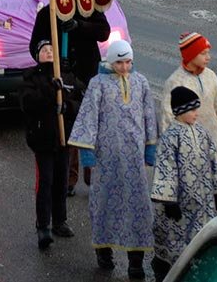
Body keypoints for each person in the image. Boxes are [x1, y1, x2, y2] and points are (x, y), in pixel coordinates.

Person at [68, 40, 156, 278]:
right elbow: (88, 118)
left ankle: (135, 260)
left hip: (134, 159)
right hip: (106, 160)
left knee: (137, 206)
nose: (124, 67)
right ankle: (104, 251)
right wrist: (87, 153)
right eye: (119, 62)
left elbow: (149, 114)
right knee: (105, 204)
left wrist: (150, 147)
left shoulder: (141, 82)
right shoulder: (98, 84)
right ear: (110, 61)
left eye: (128, 62)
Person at [28, 4, 110, 194]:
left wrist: (79, 25)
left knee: (92, 124)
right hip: (62, 77)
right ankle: (69, 179)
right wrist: (52, 61)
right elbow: (35, 46)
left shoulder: (89, 9)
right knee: (69, 126)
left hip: (87, 75)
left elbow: (104, 32)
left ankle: (92, 172)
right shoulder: (46, 14)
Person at [151, 87, 217, 280]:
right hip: (180, 204)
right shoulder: (171, 137)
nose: (196, 113)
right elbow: (165, 168)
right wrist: (169, 201)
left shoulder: (202, 133)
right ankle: (166, 269)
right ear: (180, 111)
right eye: (192, 110)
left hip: (202, 202)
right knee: (175, 240)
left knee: (199, 240)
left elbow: (213, 162)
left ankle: (196, 273)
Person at [20, 39, 85, 249]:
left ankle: (60, 221)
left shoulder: (66, 76)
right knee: (45, 182)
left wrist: (67, 106)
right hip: (43, 138)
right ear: (37, 55)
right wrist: (50, 89)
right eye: (44, 50)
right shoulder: (33, 77)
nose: (48, 53)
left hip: (63, 138)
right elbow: (28, 103)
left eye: (51, 50)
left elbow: (80, 99)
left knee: (61, 181)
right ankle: (43, 225)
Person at [160, 33, 217, 160]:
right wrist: (171, 152)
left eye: (208, 53)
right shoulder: (175, 82)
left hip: (214, 146)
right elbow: (167, 117)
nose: (208, 57)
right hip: (188, 151)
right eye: (203, 53)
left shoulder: (211, 76)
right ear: (191, 54)